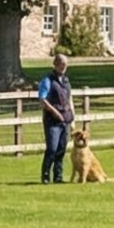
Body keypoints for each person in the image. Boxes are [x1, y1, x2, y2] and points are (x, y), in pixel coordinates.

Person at [37, 52, 75, 183]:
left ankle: (58, 176)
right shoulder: (47, 80)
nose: (64, 68)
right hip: (52, 120)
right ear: (56, 64)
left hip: (66, 119)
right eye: (62, 65)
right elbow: (42, 99)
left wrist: (72, 116)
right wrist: (54, 112)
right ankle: (45, 175)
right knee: (52, 148)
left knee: (61, 149)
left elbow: (69, 98)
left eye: (66, 65)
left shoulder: (66, 80)